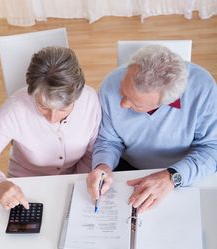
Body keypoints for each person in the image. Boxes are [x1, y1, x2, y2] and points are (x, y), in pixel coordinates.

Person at [87, 45, 217, 213]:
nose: (123, 104)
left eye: (136, 104)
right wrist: (103, 166)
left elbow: (211, 148)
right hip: (128, 166)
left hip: (184, 169)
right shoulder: (110, 84)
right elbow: (108, 140)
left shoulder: (203, 89)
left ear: (166, 102)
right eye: (123, 90)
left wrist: (172, 177)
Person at [0, 46, 101, 210]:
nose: (53, 118)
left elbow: (92, 152)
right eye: (43, 106)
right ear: (31, 92)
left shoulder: (90, 101)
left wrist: (76, 182)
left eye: (63, 109)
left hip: (76, 180)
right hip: (25, 185)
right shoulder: (15, 108)